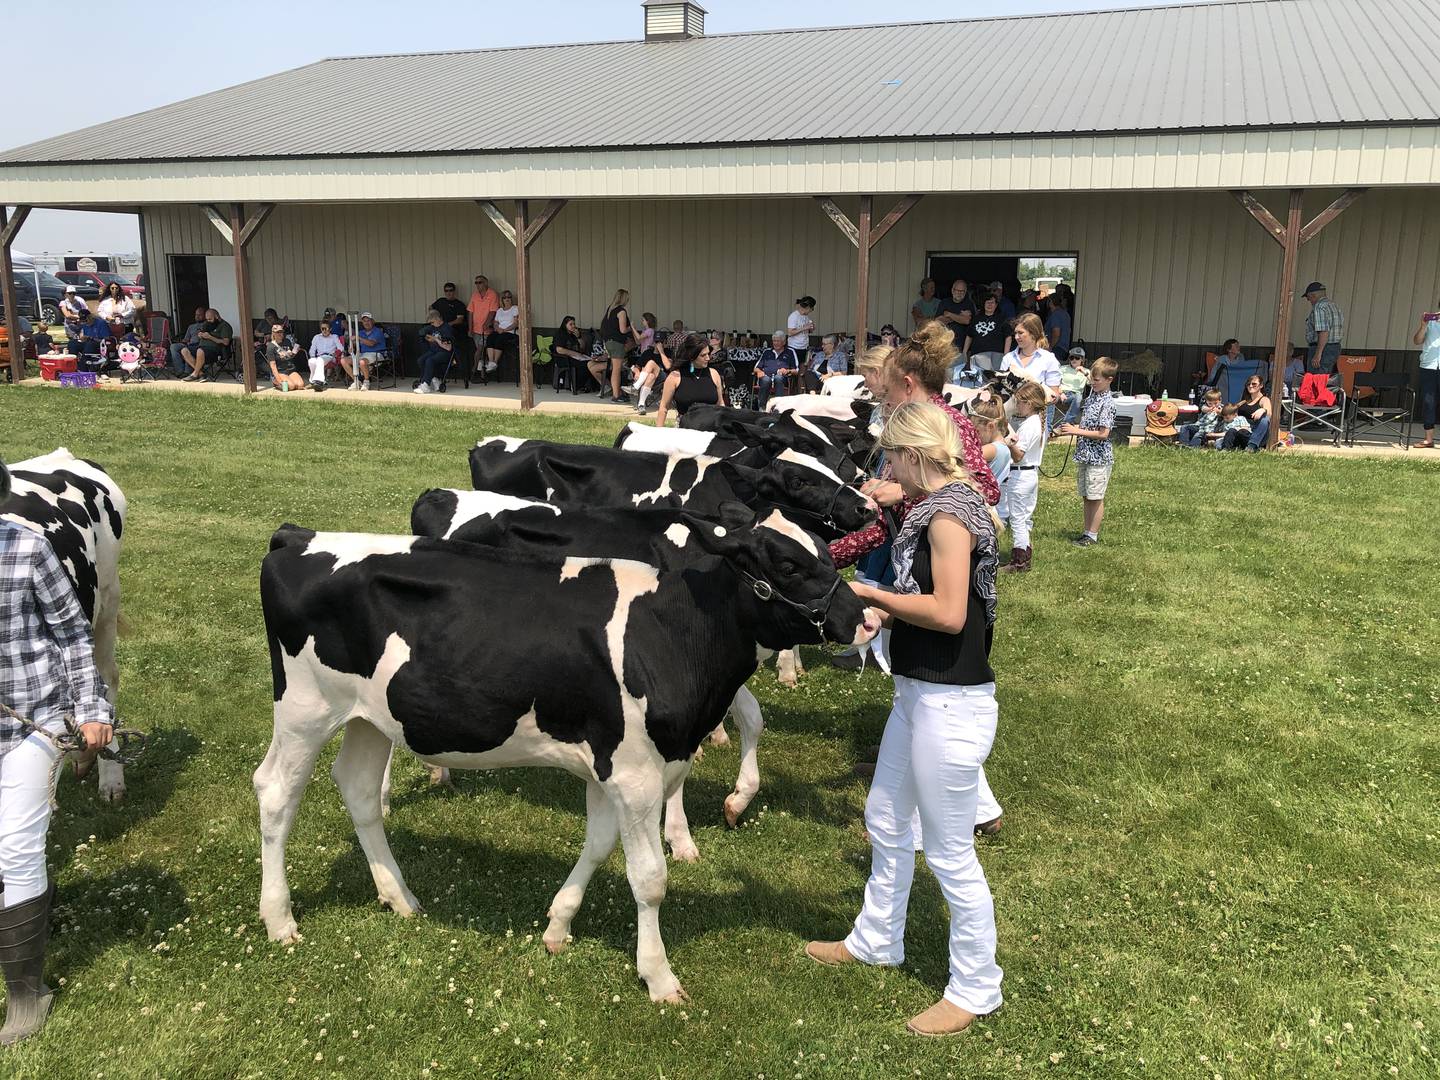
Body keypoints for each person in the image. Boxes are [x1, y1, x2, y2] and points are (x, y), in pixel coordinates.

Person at [804, 402, 1004, 1039]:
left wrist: (870, 595)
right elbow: (940, 599)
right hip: (920, 695)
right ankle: (876, 939)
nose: (885, 468)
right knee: (886, 818)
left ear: (915, 455)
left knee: (949, 854)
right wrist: (887, 618)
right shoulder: (932, 508)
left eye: (891, 456)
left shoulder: (949, 516)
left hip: (951, 703)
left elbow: (948, 613)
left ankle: (976, 986)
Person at [0, 457, 115, 1045]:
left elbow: (73, 633)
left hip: (28, 721)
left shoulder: (25, 548)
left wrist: (93, 710)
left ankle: (25, 994)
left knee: (17, 845)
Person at [1052, 356, 1117, 546]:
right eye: (1092, 380)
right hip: (1086, 455)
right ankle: (1086, 532)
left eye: (1097, 381)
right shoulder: (1093, 397)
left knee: (1096, 497)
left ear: (1109, 380)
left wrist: (1075, 430)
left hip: (1099, 458)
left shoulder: (1107, 403)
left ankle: (1092, 535)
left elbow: (1103, 433)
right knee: (1087, 495)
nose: (1093, 383)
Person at [653, 334, 724, 428]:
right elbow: (664, 407)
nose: (708, 358)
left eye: (708, 353)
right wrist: (658, 432)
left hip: (711, 429)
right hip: (685, 429)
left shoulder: (714, 374)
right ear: (691, 356)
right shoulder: (675, 377)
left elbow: (720, 404)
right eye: (703, 355)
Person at [999, 314, 1062, 400]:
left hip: (1038, 411)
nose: (1016, 337)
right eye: (1015, 333)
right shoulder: (1008, 358)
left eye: (1020, 333)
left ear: (1033, 334)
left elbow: (1054, 395)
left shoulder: (1048, 359)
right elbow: (1001, 389)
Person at [1411, 303, 1440, 448]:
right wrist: (1423, 325)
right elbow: (1417, 341)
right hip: (1428, 366)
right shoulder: (1431, 322)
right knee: (1429, 402)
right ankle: (1428, 439)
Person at [1219, 374, 1271, 451]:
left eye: (1254, 384)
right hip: (1240, 431)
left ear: (1261, 385)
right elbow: (1231, 410)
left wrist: (1263, 410)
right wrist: (1220, 410)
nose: (1250, 386)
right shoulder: (1244, 401)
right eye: (1248, 384)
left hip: (1254, 433)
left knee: (1265, 419)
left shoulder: (1264, 399)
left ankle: (1252, 446)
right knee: (1233, 430)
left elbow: (1269, 413)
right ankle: (1225, 449)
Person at [963, 294, 1011, 376]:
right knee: (977, 380)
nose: (989, 305)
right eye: (987, 302)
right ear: (983, 304)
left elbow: (1008, 337)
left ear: (996, 305)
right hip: (977, 356)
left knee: (994, 380)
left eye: (992, 303)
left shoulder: (1002, 319)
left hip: (995, 357)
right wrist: (964, 352)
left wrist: (1006, 355)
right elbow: (969, 336)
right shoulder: (976, 318)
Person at [1301, 283, 1344, 376]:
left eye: (1309, 298)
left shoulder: (1319, 307)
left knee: (1316, 379)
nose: (1310, 301)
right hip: (1334, 347)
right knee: (1325, 378)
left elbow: (1323, 331)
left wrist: (1318, 354)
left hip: (1323, 348)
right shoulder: (1333, 306)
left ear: (1313, 295)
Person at [180, 308, 232, 381]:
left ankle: (194, 374)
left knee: (200, 351)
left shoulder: (225, 326)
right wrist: (200, 335)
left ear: (217, 316)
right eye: (207, 319)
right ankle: (201, 373)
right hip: (201, 346)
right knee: (184, 350)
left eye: (210, 319)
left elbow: (226, 342)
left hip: (214, 350)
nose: (208, 321)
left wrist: (210, 337)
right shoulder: (207, 323)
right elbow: (200, 332)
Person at [754, 331, 799, 409]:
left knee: (778, 378)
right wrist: (759, 371)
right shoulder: (767, 352)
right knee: (765, 380)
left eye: (778, 341)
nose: (775, 343)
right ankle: (762, 407)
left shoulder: (790, 352)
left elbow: (796, 370)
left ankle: (778, 407)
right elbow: (756, 368)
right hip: (766, 377)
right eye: (774, 341)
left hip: (782, 379)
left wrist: (788, 371)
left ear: (784, 342)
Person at [414, 309, 453, 394]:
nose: (431, 324)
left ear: (437, 319)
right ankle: (434, 378)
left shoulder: (446, 328)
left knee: (430, 360)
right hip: (433, 351)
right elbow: (422, 332)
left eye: (432, 322)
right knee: (421, 360)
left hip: (444, 352)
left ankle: (426, 385)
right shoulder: (432, 327)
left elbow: (448, 348)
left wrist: (435, 339)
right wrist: (426, 337)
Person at [467, 275, 500, 377]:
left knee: (479, 350)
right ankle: (482, 374)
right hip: (476, 329)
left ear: (486, 283)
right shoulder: (474, 295)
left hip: (486, 329)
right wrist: (470, 328)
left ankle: (474, 370)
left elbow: (493, 311)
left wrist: (487, 323)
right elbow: (470, 312)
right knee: (481, 352)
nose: (477, 285)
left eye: (480, 282)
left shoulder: (492, 294)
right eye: (476, 283)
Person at [550, 315, 591, 390]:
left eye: (574, 324)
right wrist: (574, 354)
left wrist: (579, 337)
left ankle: (581, 385)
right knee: (585, 365)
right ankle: (576, 385)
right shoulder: (560, 334)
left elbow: (582, 348)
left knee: (591, 363)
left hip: (576, 357)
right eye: (571, 324)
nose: (573, 326)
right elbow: (559, 350)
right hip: (564, 359)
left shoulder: (574, 334)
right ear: (565, 325)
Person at [483, 291, 520, 375]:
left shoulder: (515, 308)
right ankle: (491, 361)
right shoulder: (499, 310)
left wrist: (505, 329)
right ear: (502, 300)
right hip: (500, 330)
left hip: (511, 332)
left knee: (500, 339)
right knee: (490, 337)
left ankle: (495, 362)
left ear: (511, 299)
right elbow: (495, 323)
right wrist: (498, 328)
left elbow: (515, 323)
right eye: (504, 297)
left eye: (509, 297)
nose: (507, 299)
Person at [347, 313, 384, 391]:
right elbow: (354, 344)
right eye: (364, 321)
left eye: (368, 321)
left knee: (362, 362)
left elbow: (371, 343)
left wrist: (359, 338)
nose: (366, 323)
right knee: (343, 360)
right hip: (363, 354)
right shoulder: (360, 332)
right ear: (362, 323)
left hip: (376, 353)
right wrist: (351, 348)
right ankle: (357, 381)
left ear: (372, 321)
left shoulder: (377, 331)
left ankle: (366, 381)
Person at [264, 323, 306, 392]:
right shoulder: (271, 347)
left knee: (300, 385)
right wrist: (279, 380)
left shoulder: (287, 341)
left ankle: (288, 380)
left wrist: (295, 352)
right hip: (281, 371)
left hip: (290, 369)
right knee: (291, 386)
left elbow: (290, 356)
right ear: (273, 333)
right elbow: (273, 365)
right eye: (278, 332)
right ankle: (276, 383)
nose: (280, 334)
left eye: (281, 332)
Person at [305, 317, 342, 392]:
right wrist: (312, 357)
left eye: (326, 328)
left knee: (320, 360)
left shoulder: (334, 337)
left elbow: (341, 348)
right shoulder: (316, 337)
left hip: (330, 356)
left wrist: (336, 353)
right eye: (322, 329)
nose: (324, 330)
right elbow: (312, 349)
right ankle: (312, 381)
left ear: (330, 329)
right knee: (311, 361)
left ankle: (319, 382)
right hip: (320, 357)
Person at [1055, 347, 1090, 425]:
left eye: (1077, 358)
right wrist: (1060, 393)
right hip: (1062, 394)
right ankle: (1048, 426)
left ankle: (1065, 424)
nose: (1074, 360)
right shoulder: (1063, 368)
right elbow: (1055, 382)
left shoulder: (1086, 371)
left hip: (1076, 396)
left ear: (1082, 360)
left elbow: (1093, 384)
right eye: (1071, 357)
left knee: (1078, 397)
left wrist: (1084, 372)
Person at [169, 306, 206, 376]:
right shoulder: (191, 326)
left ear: (204, 315)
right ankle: (179, 371)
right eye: (196, 315)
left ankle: (187, 372)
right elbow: (186, 339)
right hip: (189, 344)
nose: (197, 317)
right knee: (173, 346)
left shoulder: (207, 325)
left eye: (200, 315)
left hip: (199, 344)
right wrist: (183, 341)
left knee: (186, 350)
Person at [937, 279, 976, 345]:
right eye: (957, 290)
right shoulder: (944, 302)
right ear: (952, 290)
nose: (959, 293)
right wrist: (960, 316)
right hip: (945, 343)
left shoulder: (969, 304)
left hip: (962, 344)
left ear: (965, 292)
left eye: (962, 291)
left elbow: (967, 320)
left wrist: (949, 314)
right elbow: (938, 321)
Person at [787, 296, 816, 371]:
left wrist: (811, 328)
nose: (812, 311)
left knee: (803, 369)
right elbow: (790, 332)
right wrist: (804, 328)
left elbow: (807, 331)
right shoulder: (794, 316)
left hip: (804, 347)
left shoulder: (806, 317)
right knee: (794, 369)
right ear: (808, 307)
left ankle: (801, 383)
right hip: (794, 347)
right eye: (812, 308)